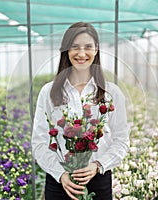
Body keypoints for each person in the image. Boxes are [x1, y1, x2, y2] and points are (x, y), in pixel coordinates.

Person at [32, 22, 130, 200]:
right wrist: (60, 173)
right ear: (66, 50)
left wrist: (98, 164)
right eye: (75, 47)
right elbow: (39, 142)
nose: (82, 53)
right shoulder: (49, 92)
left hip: (98, 179)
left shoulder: (111, 92)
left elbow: (122, 140)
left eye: (88, 47)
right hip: (59, 181)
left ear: (97, 49)